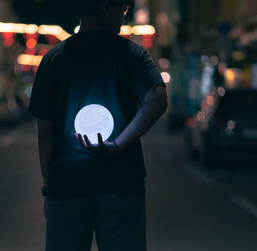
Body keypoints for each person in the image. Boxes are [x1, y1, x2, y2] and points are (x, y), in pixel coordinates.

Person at [29, 0, 168, 250]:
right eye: (123, 8)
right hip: (122, 181)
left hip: (68, 183)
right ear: (106, 7)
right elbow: (157, 98)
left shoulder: (53, 60)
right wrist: (118, 145)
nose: (124, 16)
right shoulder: (132, 54)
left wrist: (49, 188)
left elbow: (45, 134)